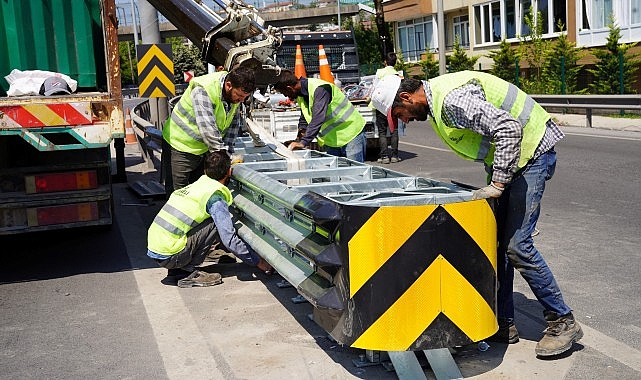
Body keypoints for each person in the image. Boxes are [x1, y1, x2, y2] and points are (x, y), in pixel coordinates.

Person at [370, 71, 582, 358]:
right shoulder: (438, 106)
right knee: (497, 245)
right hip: (511, 159)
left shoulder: (451, 102)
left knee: (518, 246)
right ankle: (503, 321)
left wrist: (498, 183)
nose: (404, 121)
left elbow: (508, 128)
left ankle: (562, 321)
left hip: (531, 154)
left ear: (407, 97)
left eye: (401, 114)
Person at [147, 150, 272, 288]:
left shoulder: (198, 186)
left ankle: (177, 270)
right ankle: (187, 273)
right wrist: (257, 261)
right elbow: (229, 239)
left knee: (210, 222)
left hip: (158, 249)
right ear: (229, 172)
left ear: (206, 171)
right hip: (171, 255)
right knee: (214, 223)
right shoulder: (215, 198)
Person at [162, 66, 256, 197]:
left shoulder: (233, 94)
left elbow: (232, 127)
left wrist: (227, 154)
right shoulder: (204, 90)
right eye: (240, 96)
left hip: (203, 149)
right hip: (179, 145)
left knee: (199, 193)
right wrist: (223, 158)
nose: (241, 100)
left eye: (244, 97)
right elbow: (208, 129)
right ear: (228, 85)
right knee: (178, 194)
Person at [272, 70, 367, 162]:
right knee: (335, 175)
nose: (286, 96)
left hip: (351, 133)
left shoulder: (320, 89)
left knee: (354, 175)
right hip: (333, 140)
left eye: (284, 92)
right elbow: (305, 116)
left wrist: (303, 142)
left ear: (289, 88)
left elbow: (318, 118)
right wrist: (300, 135)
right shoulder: (301, 95)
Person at [371, 52, 402, 164]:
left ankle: (384, 157)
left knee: (382, 132)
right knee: (394, 131)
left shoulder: (380, 72)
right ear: (395, 62)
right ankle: (394, 156)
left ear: (385, 62)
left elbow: (375, 87)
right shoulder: (398, 75)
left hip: (381, 105)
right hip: (393, 106)